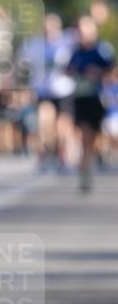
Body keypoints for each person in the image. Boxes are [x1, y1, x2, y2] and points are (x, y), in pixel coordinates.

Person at [19, 13, 75, 170]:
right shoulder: (34, 45)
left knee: (62, 127)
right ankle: (45, 150)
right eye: (46, 27)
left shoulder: (67, 41)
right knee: (44, 122)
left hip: (64, 90)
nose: (49, 30)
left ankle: (62, 151)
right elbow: (22, 65)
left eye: (52, 26)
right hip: (43, 91)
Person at [67, 15, 114, 192]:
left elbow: (111, 73)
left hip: (99, 98)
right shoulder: (75, 52)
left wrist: (98, 73)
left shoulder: (102, 49)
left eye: (84, 29)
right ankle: (85, 172)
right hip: (81, 98)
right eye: (79, 29)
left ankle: (99, 155)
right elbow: (68, 71)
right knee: (85, 136)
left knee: (98, 135)